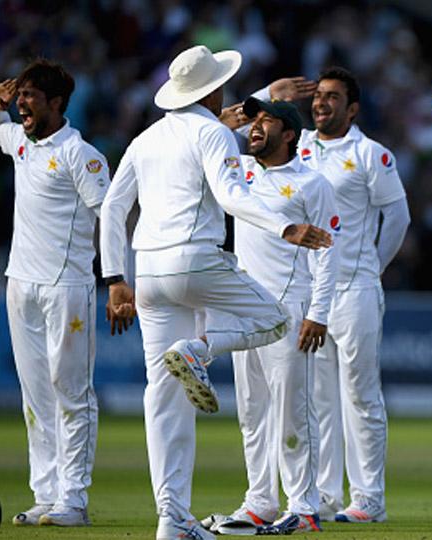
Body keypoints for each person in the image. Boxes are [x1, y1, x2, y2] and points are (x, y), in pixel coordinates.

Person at [98, 45, 331, 540]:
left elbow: (113, 208)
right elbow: (229, 195)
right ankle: (201, 351)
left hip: (147, 272)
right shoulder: (213, 133)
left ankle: (172, 520)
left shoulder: (145, 138)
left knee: (164, 397)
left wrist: (115, 279)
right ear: (213, 91)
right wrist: (286, 227)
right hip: (195, 261)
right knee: (276, 320)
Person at [274, 66, 409, 523]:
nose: (320, 103)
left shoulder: (370, 154)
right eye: (318, 96)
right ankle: (327, 494)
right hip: (311, 291)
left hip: (354, 289)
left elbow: (398, 217)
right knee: (318, 399)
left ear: (352, 109)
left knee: (360, 394)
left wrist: (372, 265)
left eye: (332, 97)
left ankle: (369, 498)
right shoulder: (298, 146)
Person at [207, 98, 339, 536]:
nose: (256, 127)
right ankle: (260, 502)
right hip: (246, 311)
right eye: (254, 121)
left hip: (290, 310)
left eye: (267, 121)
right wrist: (227, 120)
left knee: (293, 413)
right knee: (252, 412)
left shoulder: (312, 183)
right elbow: (202, 140)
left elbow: (329, 252)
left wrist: (318, 313)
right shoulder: (238, 171)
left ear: (290, 134)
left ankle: (303, 507)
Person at [0, 60, 110, 528]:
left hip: (67, 286)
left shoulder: (81, 155)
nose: (21, 104)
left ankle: (74, 499)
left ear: (57, 103)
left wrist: (118, 281)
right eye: (19, 95)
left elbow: (110, 217)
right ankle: (45, 494)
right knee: (35, 396)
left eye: (30, 96)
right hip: (20, 283)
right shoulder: (20, 141)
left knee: (71, 393)